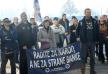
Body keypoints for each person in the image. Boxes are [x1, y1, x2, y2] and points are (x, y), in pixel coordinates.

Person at [76, 8, 99, 74]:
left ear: (90, 13)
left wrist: (97, 40)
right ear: (84, 13)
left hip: (92, 42)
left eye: (89, 12)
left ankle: (92, 71)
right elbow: (77, 30)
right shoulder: (80, 22)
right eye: (87, 12)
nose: (88, 13)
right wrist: (77, 37)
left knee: (92, 57)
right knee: (83, 57)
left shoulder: (94, 21)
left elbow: (97, 31)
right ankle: (82, 72)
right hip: (84, 42)